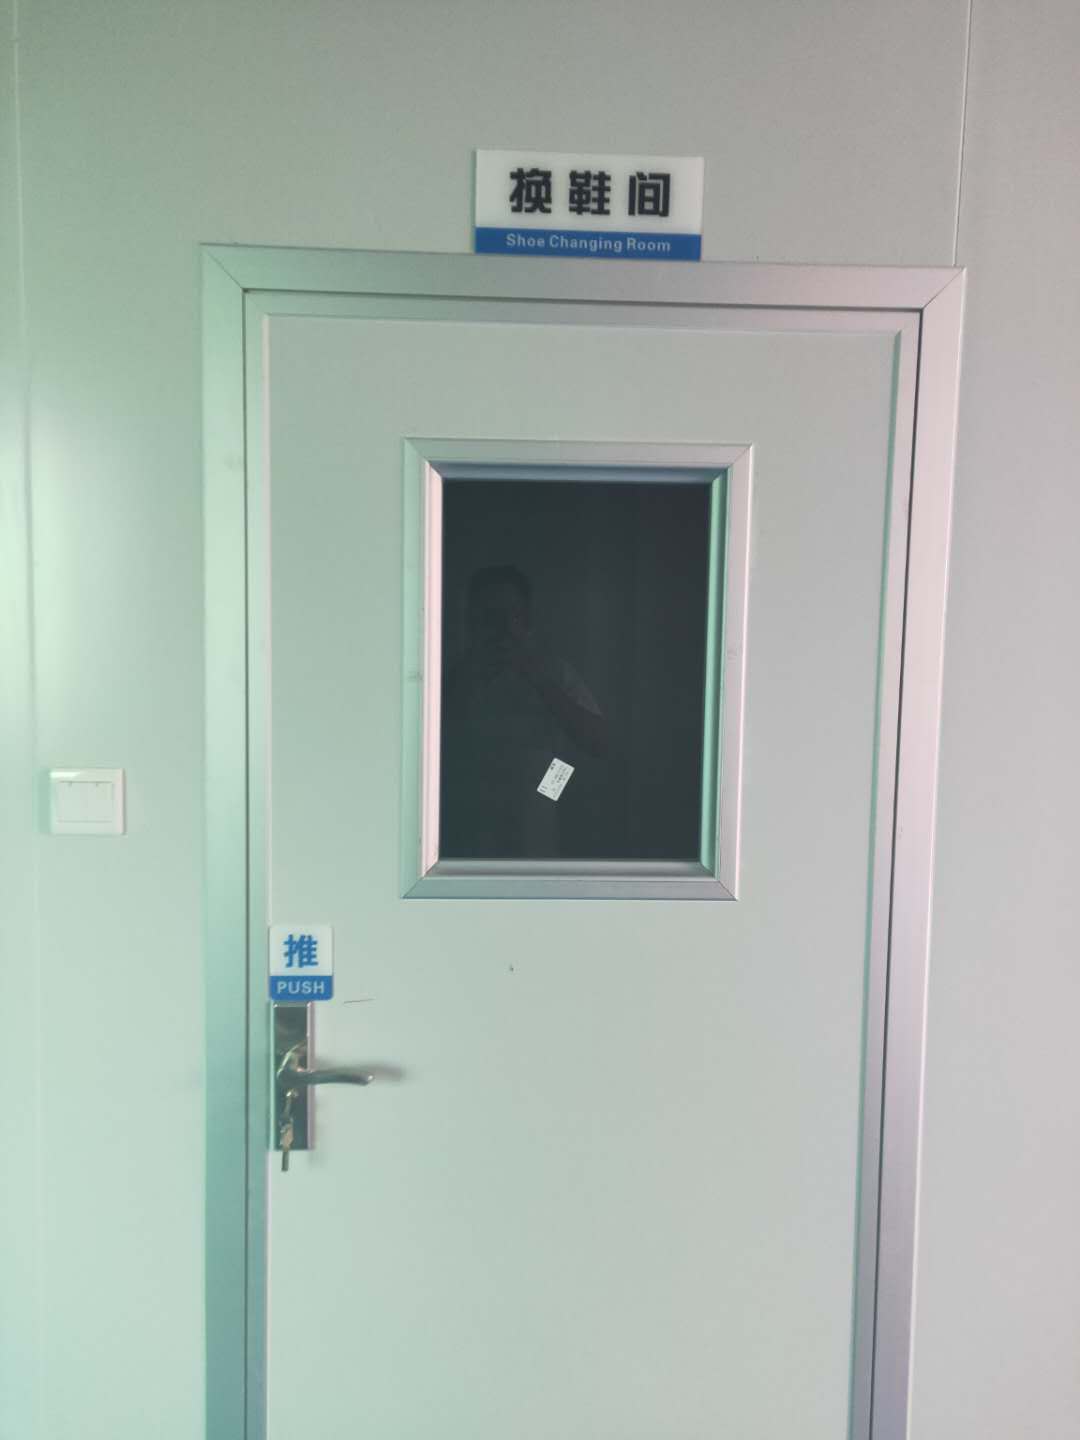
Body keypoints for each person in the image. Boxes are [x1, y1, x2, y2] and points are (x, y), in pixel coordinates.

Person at [440, 565, 606, 858]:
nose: (502, 629)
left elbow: (599, 743)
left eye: (512, 616)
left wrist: (540, 681)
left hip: (537, 828)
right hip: (464, 832)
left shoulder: (554, 673)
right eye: (489, 618)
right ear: (471, 622)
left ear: (527, 620)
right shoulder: (448, 679)